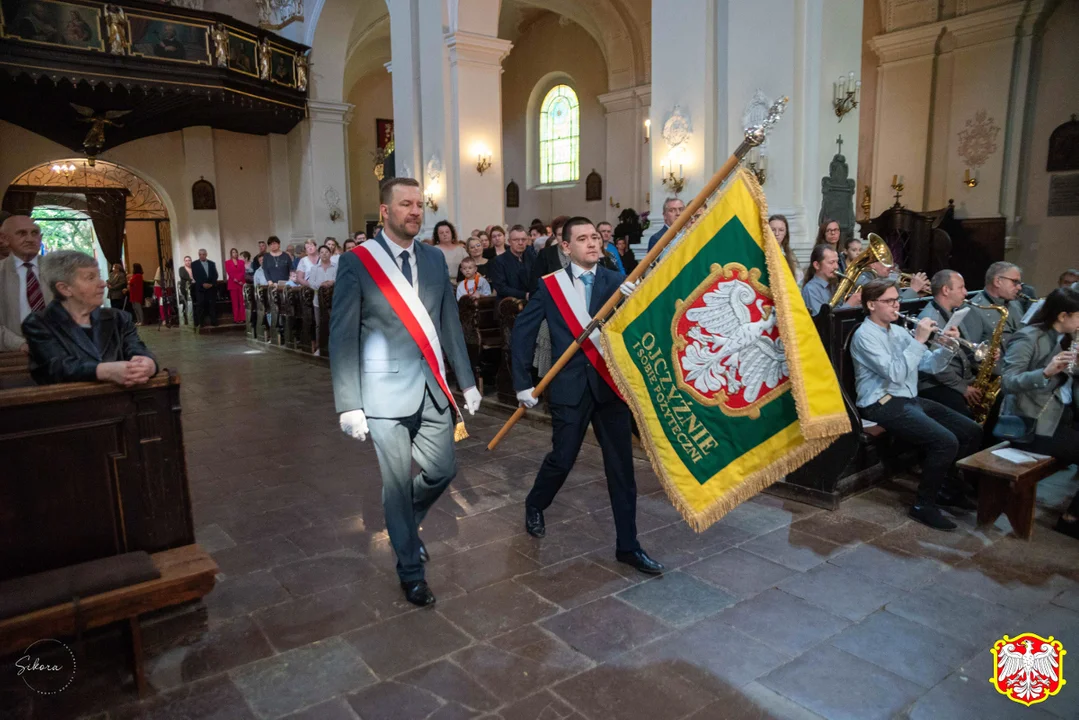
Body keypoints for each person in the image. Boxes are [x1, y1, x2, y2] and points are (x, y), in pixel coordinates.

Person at [331, 177, 481, 607]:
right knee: (396, 484)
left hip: (431, 388)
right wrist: (349, 404)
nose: (416, 211)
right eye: (406, 204)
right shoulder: (358, 262)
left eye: (420, 204)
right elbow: (342, 335)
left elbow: (449, 322)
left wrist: (466, 380)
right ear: (385, 211)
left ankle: (403, 523)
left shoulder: (434, 259)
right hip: (381, 393)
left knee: (442, 471)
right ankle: (410, 568)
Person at [512, 217, 664, 574]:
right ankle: (535, 503)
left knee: (621, 470)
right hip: (569, 388)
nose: (593, 244)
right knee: (562, 459)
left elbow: (639, 329)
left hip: (610, 387)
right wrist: (523, 383)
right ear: (566, 247)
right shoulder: (550, 286)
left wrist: (633, 302)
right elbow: (523, 333)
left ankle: (628, 546)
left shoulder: (617, 282)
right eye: (582, 239)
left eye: (595, 237)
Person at [851, 279, 982, 530]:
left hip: (908, 398)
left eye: (896, 300)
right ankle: (924, 505)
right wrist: (919, 341)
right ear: (871, 305)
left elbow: (929, 366)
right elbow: (896, 374)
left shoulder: (898, 331)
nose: (895, 305)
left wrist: (946, 347)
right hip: (881, 403)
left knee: (971, 430)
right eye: (888, 301)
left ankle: (948, 490)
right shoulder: (864, 336)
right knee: (945, 441)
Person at [997, 287, 1079, 539]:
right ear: (1063, 315)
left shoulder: (1066, 337)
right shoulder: (1029, 337)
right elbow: (1008, 382)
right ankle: (1071, 518)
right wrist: (1045, 372)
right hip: (1030, 423)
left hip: (1060, 415)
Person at [22, 250, 157, 386]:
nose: (102, 284)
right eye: (91, 278)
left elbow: (136, 348)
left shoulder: (119, 318)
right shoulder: (38, 324)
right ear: (65, 288)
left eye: (99, 276)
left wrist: (148, 363)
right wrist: (105, 371)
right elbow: (55, 367)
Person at [917, 270, 981, 419]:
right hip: (935, 385)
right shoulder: (930, 318)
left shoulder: (954, 312)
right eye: (961, 287)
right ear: (946, 290)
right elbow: (935, 367)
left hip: (955, 379)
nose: (965, 292)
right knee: (967, 421)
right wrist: (963, 388)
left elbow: (963, 347)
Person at [0, 214, 51, 352]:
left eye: (34, 233)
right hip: (12, 357)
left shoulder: (61, 271)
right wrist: (21, 345)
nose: (30, 239)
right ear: (4, 239)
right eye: (21, 233)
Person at [968, 261, 1024, 346]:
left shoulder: (1016, 304)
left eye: (1019, 283)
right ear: (997, 281)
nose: (1019, 287)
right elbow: (971, 350)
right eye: (1015, 282)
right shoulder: (973, 308)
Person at [800, 244, 859, 316]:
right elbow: (822, 322)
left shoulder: (834, 285)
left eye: (837, 262)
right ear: (817, 265)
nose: (836, 266)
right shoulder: (811, 290)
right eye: (831, 262)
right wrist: (850, 304)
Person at [488, 225, 535, 299]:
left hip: (531, 301)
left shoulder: (532, 257)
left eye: (523, 239)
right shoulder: (498, 261)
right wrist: (524, 295)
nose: (520, 243)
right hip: (508, 304)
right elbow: (501, 288)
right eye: (516, 240)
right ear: (509, 242)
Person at [306, 244, 337, 353]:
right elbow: (311, 283)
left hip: (332, 300)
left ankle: (333, 346)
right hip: (318, 300)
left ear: (330, 254)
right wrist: (322, 284)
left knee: (333, 322)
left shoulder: (335, 267)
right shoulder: (314, 268)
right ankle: (320, 347)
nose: (324, 254)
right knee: (319, 324)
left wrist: (332, 282)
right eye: (322, 252)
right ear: (319, 254)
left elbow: (338, 279)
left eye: (327, 252)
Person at [768, 214, 801, 285]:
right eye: (773, 230)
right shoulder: (761, 253)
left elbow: (798, 281)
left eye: (781, 230)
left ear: (786, 233)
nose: (777, 234)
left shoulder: (789, 255)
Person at [433, 220, 468, 284]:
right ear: (437, 235)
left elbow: (469, 264)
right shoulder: (434, 250)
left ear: (452, 233)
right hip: (442, 284)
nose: (445, 234)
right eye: (441, 233)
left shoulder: (461, 250)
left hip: (461, 283)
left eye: (447, 232)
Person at [191, 248, 219, 327]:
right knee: (200, 305)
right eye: (200, 254)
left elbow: (215, 275)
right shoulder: (194, 264)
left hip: (211, 288)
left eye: (203, 254)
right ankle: (200, 323)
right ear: (198, 255)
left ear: (206, 255)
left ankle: (214, 322)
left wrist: (211, 284)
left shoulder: (211, 263)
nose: (202, 256)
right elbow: (195, 275)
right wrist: (203, 284)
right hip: (200, 288)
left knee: (212, 305)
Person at [225, 248, 246, 324]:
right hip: (233, 284)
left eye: (236, 252)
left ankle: (243, 318)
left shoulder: (241, 262)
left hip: (241, 284)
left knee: (242, 301)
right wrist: (235, 279)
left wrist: (239, 280)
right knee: (235, 302)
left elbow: (243, 271)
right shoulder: (227, 262)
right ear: (231, 254)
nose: (235, 254)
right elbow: (229, 272)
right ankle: (236, 318)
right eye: (233, 252)